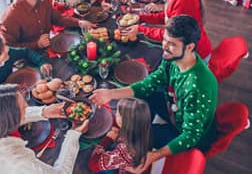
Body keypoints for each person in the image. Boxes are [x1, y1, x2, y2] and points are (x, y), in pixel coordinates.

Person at [90, 15, 218, 170]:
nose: (164, 46)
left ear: (189, 47)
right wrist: (110, 94)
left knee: (139, 134)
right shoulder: (172, 57)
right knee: (144, 95)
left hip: (181, 133)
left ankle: (126, 150)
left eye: (171, 44)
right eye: (165, 40)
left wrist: (154, 156)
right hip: (172, 109)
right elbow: (150, 83)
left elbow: (190, 136)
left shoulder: (198, 87)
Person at [0, 84, 89, 174]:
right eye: (23, 107)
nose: (27, 107)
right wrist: (73, 135)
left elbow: (11, 115)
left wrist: (44, 112)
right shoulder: (18, 161)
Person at [0, 0, 95, 51]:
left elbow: (57, 18)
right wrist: (36, 44)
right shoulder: (11, 16)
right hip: (28, 57)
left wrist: (78, 22)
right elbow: (8, 47)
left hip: (48, 48)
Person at [88, 98, 152, 174]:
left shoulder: (125, 152)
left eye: (117, 113)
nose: (115, 114)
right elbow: (117, 122)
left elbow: (93, 165)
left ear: (124, 122)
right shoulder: (143, 129)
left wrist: (108, 139)